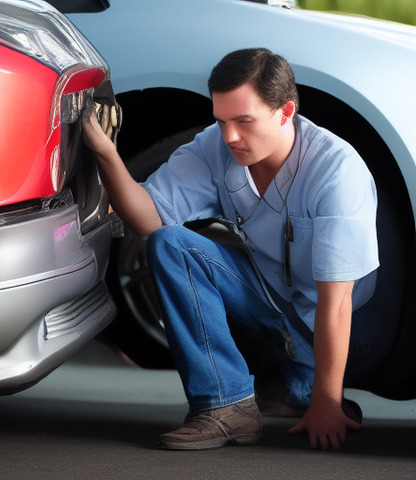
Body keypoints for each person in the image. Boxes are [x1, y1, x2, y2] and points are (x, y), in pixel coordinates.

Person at [82, 48, 391, 451]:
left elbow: (337, 303)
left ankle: (306, 384)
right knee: (170, 243)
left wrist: (327, 402)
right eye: (222, 120)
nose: (229, 136)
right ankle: (228, 407)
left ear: (285, 112)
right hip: (274, 306)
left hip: (342, 326)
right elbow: (148, 218)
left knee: (312, 385)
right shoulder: (217, 147)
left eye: (243, 121)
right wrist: (107, 153)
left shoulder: (336, 171)